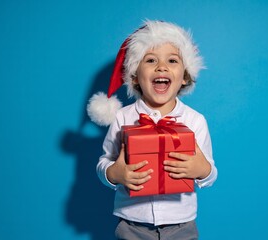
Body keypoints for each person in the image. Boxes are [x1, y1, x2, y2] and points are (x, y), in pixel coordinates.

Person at [87, 20, 218, 240]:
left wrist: (202, 169)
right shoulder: (122, 117)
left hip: (182, 226)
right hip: (132, 225)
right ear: (134, 76)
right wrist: (113, 173)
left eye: (172, 60)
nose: (161, 67)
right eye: (150, 60)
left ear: (184, 76)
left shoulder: (195, 121)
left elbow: (211, 173)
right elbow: (104, 162)